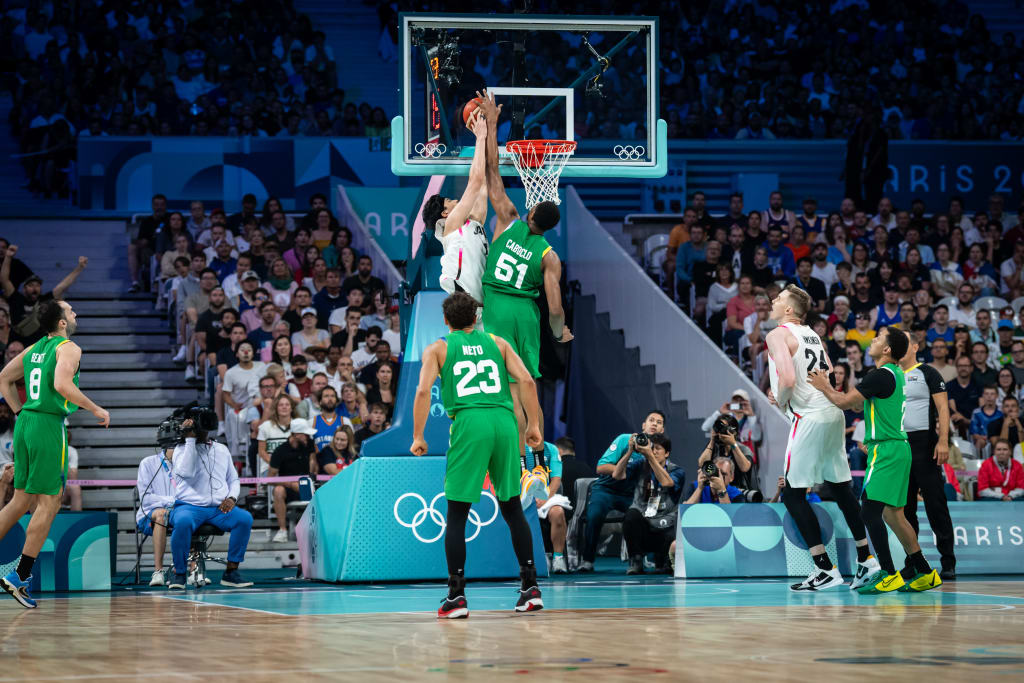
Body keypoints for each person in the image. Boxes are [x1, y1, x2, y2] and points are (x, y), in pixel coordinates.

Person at [410, 291, 545, 618]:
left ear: (446, 321)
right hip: (504, 421)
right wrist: (534, 426)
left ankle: (456, 596)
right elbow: (526, 379)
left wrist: (418, 435)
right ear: (476, 317)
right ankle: (531, 589)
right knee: (512, 506)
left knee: (457, 513)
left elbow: (424, 390)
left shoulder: (439, 348)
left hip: (470, 422)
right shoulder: (497, 343)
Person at [809, 327, 942, 594]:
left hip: (886, 449)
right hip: (899, 448)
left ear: (887, 350)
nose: (873, 340)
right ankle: (925, 571)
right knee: (894, 515)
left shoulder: (880, 375)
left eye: (879, 337)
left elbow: (845, 403)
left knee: (869, 510)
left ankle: (889, 573)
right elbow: (860, 404)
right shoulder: (895, 374)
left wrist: (824, 386)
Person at [477, 91, 572, 458]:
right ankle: (532, 457)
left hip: (497, 306)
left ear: (532, 214)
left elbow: (492, 171)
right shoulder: (551, 257)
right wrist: (559, 333)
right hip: (525, 316)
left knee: (500, 388)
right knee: (524, 386)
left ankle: (509, 455)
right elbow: (554, 307)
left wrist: (491, 127)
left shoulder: (508, 218)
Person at [0, 300, 110, 608]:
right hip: (47, 424)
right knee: (49, 503)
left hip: (25, 423)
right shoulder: (68, 347)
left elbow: (4, 379)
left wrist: (19, 412)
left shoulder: (36, 347)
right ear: (62, 323)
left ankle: (19, 575)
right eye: (71, 310)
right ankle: (20, 576)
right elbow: (62, 384)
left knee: (20, 499)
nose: (75, 313)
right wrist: (95, 407)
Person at [764, 285, 875, 592]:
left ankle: (825, 569)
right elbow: (826, 376)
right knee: (841, 489)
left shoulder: (777, 334)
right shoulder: (813, 334)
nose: (773, 301)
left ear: (788, 309)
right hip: (831, 413)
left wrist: (782, 399)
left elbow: (786, 379)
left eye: (779, 299)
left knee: (792, 494)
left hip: (808, 417)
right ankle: (867, 559)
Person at [170, 416, 254, 589]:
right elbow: (187, 472)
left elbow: (233, 479)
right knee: (182, 522)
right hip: (189, 506)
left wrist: (231, 498)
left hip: (218, 508)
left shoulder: (221, 449)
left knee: (244, 518)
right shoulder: (181, 449)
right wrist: (190, 440)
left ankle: (231, 572)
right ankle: (179, 574)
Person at [898, 336, 957, 580]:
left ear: (915, 347)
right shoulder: (889, 374)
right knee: (905, 508)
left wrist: (943, 441)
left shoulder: (928, 372)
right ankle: (912, 561)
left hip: (926, 446)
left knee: (936, 505)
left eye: (906, 342)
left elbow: (943, 409)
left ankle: (948, 561)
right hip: (900, 446)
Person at [580, 410, 666, 572]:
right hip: (606, 489)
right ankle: (587, 560)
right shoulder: (624, 439)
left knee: (650, 514)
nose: (654, 424)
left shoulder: (658, 450)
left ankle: (642, 559)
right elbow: (601, 467)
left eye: (659, 422)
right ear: (643, 425)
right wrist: (626, 465)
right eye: (651, 420)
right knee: (595, 515)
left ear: (662, 430)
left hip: (631, 495)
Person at [423, 113, 489, 303]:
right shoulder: (451, 224)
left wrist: (487, 138)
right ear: (445, 213)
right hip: (465, 303)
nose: (455, 200)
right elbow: (475, 181)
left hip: (482, 304)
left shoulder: (474, 222)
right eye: (449, 201)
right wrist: (480, 137)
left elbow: (482, 183)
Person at [618, 433, 685, 574]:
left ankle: (664, 558)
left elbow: (667, 482)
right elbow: (617, 475)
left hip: (665, 527)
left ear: (667, 453)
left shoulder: (677, 471)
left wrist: (649, 457)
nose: (653, 451)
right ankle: (636, 560)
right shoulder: (640, 465)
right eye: (651, 448)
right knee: (631, 515)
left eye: (658, 449)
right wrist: (630, 451)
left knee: (664, 568)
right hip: (644, 525)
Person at [268, 418, 318, 542]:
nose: (307, 438)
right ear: (295, 435)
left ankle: (313, 529)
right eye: (305, 435)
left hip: (308, 486)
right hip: (288, 489)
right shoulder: (280, 451)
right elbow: (270, 478)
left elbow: (313, 464)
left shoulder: (309, 445)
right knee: (278, 491)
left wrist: (311, 471)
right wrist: (291, 484)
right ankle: (282, 530)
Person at [136, 446, 176, 586]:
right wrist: (171, 501)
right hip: (149, 514)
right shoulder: (148, 463)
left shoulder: (186, 465)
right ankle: (158, 572)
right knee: (161, 514)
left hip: (177, 513)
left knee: (191, 514)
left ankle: (192, 570)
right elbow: (146, 498)